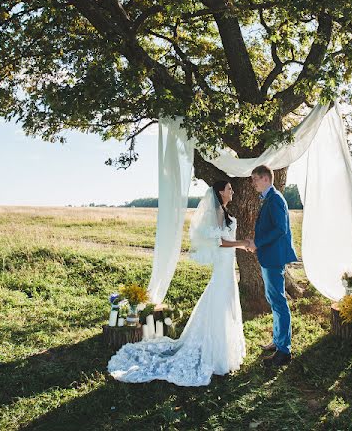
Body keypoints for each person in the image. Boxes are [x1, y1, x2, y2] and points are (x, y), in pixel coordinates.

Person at [107, 180, 253, 386]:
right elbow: (219, 242)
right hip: (223, 264)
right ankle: (217, 353)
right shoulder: (219, 212)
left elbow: (224, 239)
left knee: (223, 301)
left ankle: (224, 350)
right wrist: (243, 243)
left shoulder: (224, 211)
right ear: (221, 192)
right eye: (229, 188)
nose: (233, 191)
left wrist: (243, 246)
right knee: (220, 301)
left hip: (227, 263)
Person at [250, 164, 299, 368]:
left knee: (278, 302)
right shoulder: (270, 198)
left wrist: (257, 243)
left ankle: (284, 351)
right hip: (269, 256)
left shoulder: (276, 199)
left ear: (266, 179)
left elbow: (280, 229)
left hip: (273, 257)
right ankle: (278, 341)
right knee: (273, 299)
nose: (252, 183)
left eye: (255, 179)